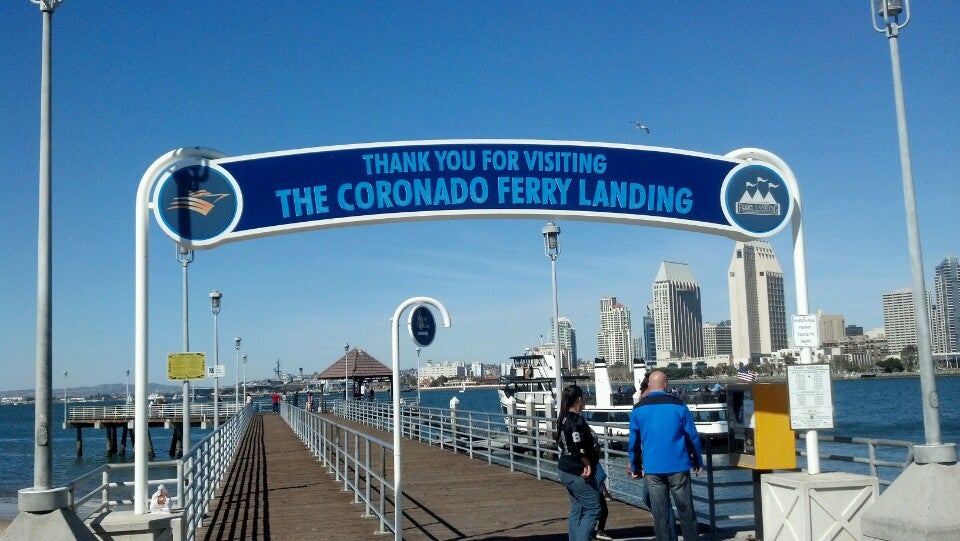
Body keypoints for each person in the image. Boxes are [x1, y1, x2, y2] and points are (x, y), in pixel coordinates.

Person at [627, 371, 703, 541]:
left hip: (653, 468)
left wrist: (635, 466)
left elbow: (634, 442)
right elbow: (691, 436)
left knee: (660, 515)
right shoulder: (679, 406)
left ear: (649, 385)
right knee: (686, 512)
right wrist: (697, 460)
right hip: (678, 466)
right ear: (666, 385)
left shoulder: (638, 409)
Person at [555, 384, 602, 541]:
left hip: (565, 468)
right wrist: (586, 462)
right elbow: (578, 444)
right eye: (585, 398)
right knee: (593, 508)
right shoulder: (576, 420)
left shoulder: (563, 418)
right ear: (579, 399)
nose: (586, 400)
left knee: (578, 507)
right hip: (577, 470)